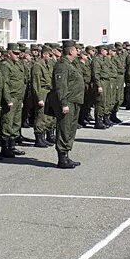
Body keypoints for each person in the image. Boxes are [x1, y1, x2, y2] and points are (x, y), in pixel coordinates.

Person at [51, 40, 84, 168]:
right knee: (64, 129)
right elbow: (61, 87)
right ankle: (62, 158)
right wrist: (63, 103)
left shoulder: (71, 64)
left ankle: (66, 154)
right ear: (70, 51)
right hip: (68, 102)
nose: (78, 51)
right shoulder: (62, 66)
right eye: (76, 49)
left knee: (70, 129)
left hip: (75, 101)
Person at [0, 44, 26, 159]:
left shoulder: (18, 64)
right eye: (15, 53)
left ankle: (12, 146)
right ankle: (5, 148)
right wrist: (8, 99)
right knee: (7, 123)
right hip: (11, 98)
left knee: (15, 122)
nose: (18, 55)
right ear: (9, 53)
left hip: (18, 97)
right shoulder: (5, 65)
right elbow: (5, 83)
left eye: (18, 53)